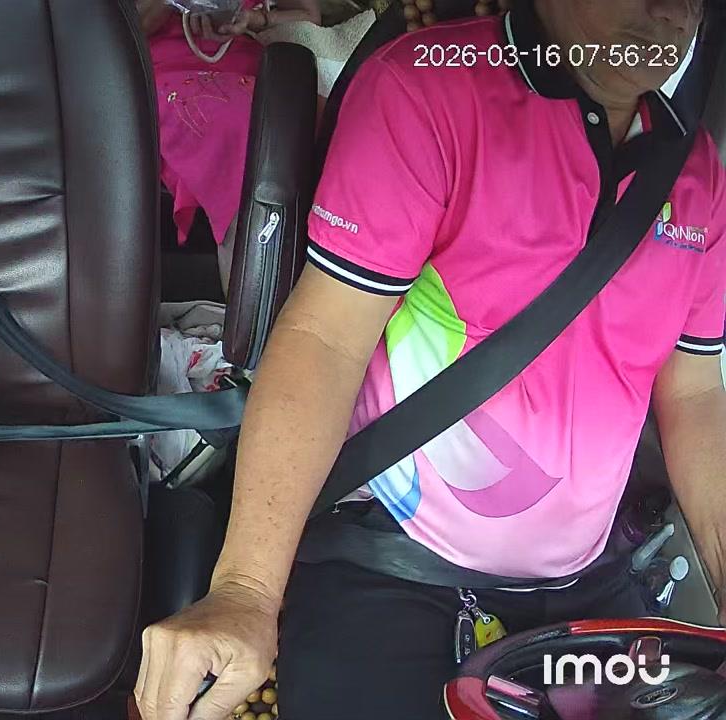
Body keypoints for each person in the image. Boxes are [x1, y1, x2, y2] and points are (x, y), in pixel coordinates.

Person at [134, 0, 725, 718]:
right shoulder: (428, 89)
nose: (671, 13)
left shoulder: (696, 173)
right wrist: (246, 592)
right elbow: (325, 338)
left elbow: (696, 395)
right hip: (392, 562)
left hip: (586, 585)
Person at [137, 0, 321, 292]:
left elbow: (309, 16)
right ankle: (250, 306)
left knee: (300, 115)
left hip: (249, 60)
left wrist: (251, 19)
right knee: (245, 129)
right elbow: (121, 26)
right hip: (159, 66)